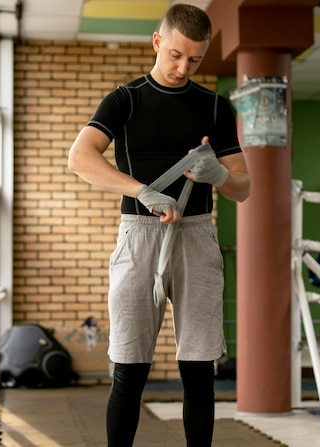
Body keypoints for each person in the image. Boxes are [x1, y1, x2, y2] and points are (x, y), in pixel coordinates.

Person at [67, 4, 250, 446]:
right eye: (174, 54)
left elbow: (243, 189)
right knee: (129, 370)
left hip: (197, 235)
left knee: (199, 372)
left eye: (194, 60)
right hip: (138, 236)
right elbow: (80, 158)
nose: (181, 67)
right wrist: (141, 189)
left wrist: (221, 176)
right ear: (156, 41)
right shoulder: (125, 99)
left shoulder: (213, 107)